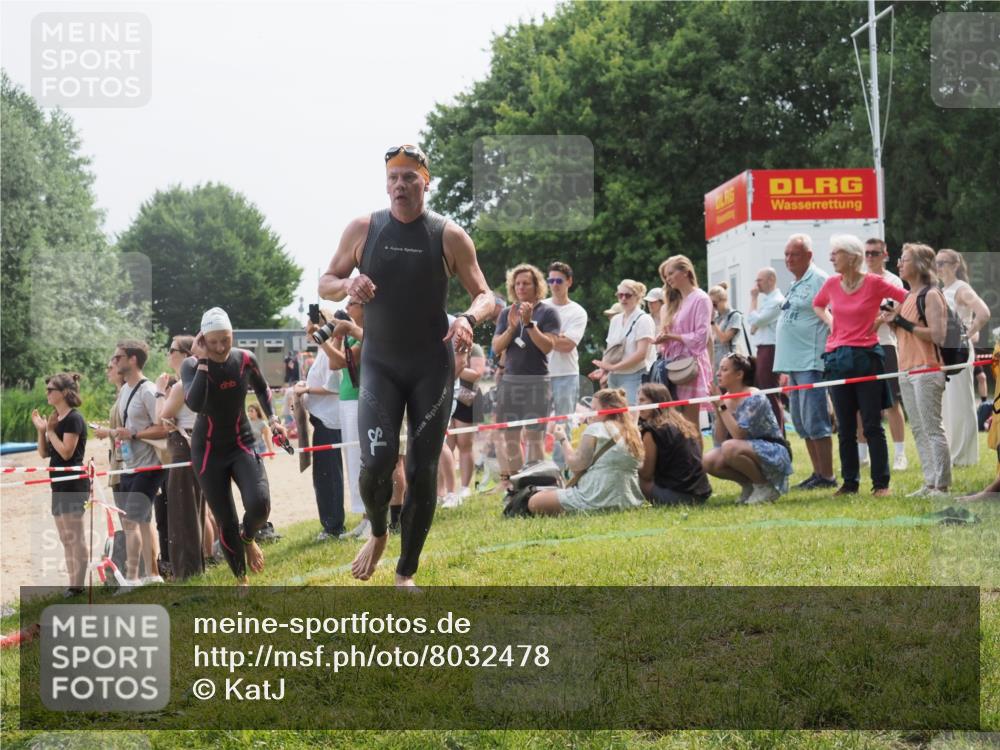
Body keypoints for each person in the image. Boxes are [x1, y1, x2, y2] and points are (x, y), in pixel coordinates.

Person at [318, 143, 493, 587]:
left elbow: (486, 296)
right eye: (393, 178)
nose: (400, 185)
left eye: (409, 178)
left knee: (421, 470)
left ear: (425, 182)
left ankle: (405, 573)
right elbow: (326, 282)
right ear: (386, 183)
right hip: (380, 363)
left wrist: (469, 321)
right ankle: (378, 533)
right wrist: (348, 283)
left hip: (431, 366)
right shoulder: (364, 228)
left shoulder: (448, 235)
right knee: (375, 466)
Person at [182, 307, 286, 588]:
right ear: (203, 339)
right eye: (213, 341)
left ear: (233, 335)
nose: (219, 347)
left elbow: (263, 389)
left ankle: (248, 537)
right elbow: (195, 403)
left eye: (225, 340)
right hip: (207, 452)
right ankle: (242, 580)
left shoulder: (244, 359)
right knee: (225, 518)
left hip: (241, 442)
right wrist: (203, 361)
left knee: (260, 504)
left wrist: (274, 420)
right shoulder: (191, 365)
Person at [813, 234, 907, 497]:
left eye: (837, 253)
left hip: (867, 357)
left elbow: (906, 296)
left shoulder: (875, 283)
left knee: (872, 424)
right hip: (837, 358)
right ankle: (850, 483)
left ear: (852, 258)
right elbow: (818, 305)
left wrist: (884, 317)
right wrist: (832, 323)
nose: (832, 257)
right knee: (845, 426)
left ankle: (881, 484)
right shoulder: (832, 284)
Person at [877, 244, 951, 496]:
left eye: (904, 259)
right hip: (907, 369)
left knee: (932, 428)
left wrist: (901, 322)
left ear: (919, 264)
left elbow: (938, 335)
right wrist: (892, 322)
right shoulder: (908, 297)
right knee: (918, 429)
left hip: (927, 368)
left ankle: (941, 485)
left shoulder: (931, 295)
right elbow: (905, 334)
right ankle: (929, 482)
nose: (899, 263)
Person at [774, 234, 836, 490]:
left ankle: (828, 476)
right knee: (800, 421)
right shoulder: (796, 282)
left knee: (816, 420)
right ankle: (817, 472)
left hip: (811, 361)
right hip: (794, 364)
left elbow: (835, 314)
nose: (789, 259)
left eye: (795, 254)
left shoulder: (820, 279)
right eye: (787, 254)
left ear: (809, 256)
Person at [527, 388, 645, 515]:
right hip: (628, 500)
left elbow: (576, 465)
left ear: (607, 409)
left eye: (594, 409)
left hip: (595, 496)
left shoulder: (596, 429)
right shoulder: (633, 431)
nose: (590, 413)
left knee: (534, 501)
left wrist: (562, 439)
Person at [492, 263, 560, 485]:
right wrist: (512, 328)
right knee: (510, 437)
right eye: (517, 283)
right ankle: (517, 485)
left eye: (526, 283)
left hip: (537, 381)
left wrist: (529, 324)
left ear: (536, 285)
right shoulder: (506, 313)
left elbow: (547, 347)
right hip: (510, 381)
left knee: (534, 437)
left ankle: (535, 484)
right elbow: (496, 347)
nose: (521, 287)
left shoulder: (548, 312)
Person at [112, 339, 169, 588]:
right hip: (128, 463)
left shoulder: (146, 390)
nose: (114, 362)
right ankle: (153, 574)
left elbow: (163, 428)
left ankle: (132, 578)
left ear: (132, 360)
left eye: (118, 357)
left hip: (149, 465)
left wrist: (134, 434)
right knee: (143, 521)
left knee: (131, 521)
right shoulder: (124, 390)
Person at [703, 354, 792, 504]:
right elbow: (718, 439)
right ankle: (750, 485)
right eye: (719, 369)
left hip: (772, 450)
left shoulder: (754, 396)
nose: (718, 373)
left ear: (739, 374)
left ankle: (765, 486)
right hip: (742, 449)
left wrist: (722, 406)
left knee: (729, 447)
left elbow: (739, 434)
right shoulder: (725, 398)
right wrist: (718, 408)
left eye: (724, 369)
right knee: (708, 460)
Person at [31, 373, 89, 597]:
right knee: (66, 538)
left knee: (75, 536)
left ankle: (78, 585)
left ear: (64, 392)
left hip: (73, 483)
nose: (47, 393)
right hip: (58, 484)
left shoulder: (74, 418)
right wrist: (42, 431)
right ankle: (72, 584)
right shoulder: (56, 417)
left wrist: (51, 431)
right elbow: (45, 453)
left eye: (50, 389)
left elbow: (66, 453)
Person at [155, 335, 207, 581]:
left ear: (185, 355)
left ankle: (187, 571)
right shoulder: (200, 379)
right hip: (197, 444)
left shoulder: (180, 386)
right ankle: (194, 567)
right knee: (196, 508)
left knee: (181, 510)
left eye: (172, 349)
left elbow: (163, 422)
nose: (168, 353)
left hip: (182, 447)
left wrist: (158, 393)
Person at [295, 303, 346, 541]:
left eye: (311, 327)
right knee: (324, 474)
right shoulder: (321, 353)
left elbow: (332, 386)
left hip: (329, 421)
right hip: (322, 421)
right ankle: (331, 523)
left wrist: (306, 388)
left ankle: (334, 525)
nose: (308, 331)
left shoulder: (329, 351)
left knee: (328, 475)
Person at [937, 248, 991, 467]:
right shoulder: (942, 289)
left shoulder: (961, 288)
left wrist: (967, 334)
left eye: (942, 263)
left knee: (960, 401)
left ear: (954, 265)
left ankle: (963, 456)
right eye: (936, 263)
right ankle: (952, 452)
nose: (938, 267)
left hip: (958, 350)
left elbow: (984, 312)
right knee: (947, 403)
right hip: (945, 352)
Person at [858, 238, 908, 471]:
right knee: (860, 403)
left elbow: (899, 307)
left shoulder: (893, 280)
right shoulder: (858, 278)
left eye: (874, 253)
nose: (870, 257)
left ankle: (899, 454)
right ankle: (861, 454)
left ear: (884, 254)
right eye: (866, 253)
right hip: (860, 345)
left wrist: (881, 318)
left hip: (886, 344)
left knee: (892, 402)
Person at [655, 255, 713, 426]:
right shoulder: (671, 304)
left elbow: (701, 337)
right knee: (675, 423)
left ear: (686, 272)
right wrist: (662, 340)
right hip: (671, 366)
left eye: (671, 273)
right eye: (666, 276)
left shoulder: (700, 298)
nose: (668, 279)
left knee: (690, 423)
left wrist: (672, 337)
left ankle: (695, 454)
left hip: (689, 367)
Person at [326, 303, 366, 538]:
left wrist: (323, 342)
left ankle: (373, 517)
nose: (348, 305)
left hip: (360, 398)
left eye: (352, 302)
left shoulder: (364, 333)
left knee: (362, 457)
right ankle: (364, 516)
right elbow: (333, 364)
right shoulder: (348, 335)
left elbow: (340, 361)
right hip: (346, 400)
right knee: (352, 460)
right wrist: (336, 337)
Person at [636, 382, 712, 505]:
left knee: (636, 476)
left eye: (643, 400)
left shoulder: (651, 430)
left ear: (656, 402)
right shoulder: (684, 423)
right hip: (702, 494)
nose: (639, 405)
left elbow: (646, 474)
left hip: (678, 496)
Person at [546, 261, 588, 468]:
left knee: (564, 424)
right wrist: (556, 336)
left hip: (566, 374)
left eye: (559, 280)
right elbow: (532, 341)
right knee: (534, 424)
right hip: (540, 374)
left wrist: (545, 336)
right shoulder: (541, 307)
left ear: (569, 282)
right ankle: (535, 469)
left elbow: (568, 346)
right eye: (551, 280)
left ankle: (562, 469)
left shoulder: (577, 311)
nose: (554, 284)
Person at [591, 279, 656, 406]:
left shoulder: (644, 319)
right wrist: (603, 369)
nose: (623, 299)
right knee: (614, 418)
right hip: (614, 377)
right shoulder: (615, 319)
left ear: (637, 297)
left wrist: (613, 367)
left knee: (630, 419)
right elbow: (610, 349)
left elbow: (641, 354)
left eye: (628, 295)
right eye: (620, 295)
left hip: (634, 375)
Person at [747, 267, 786, 429]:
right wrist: (756, 322)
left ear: (771, 280)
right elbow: (754, 323)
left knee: (769, 391)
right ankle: (771, 427)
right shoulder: (769, 300)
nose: (757, 284)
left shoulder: (776, 301)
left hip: (770, 348)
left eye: (760, 280)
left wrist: (753, 299)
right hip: (764, 348)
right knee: (764, 389)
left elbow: (755, 321)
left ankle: (778, 430)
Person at [708, 282, 748, 378]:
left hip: (729, 359)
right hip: (715, 360)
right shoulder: (717, 317)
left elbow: (724, 339)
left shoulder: (735, 316)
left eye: (714, 303)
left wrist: (712, 322)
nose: (712, 307)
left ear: (723, 300)